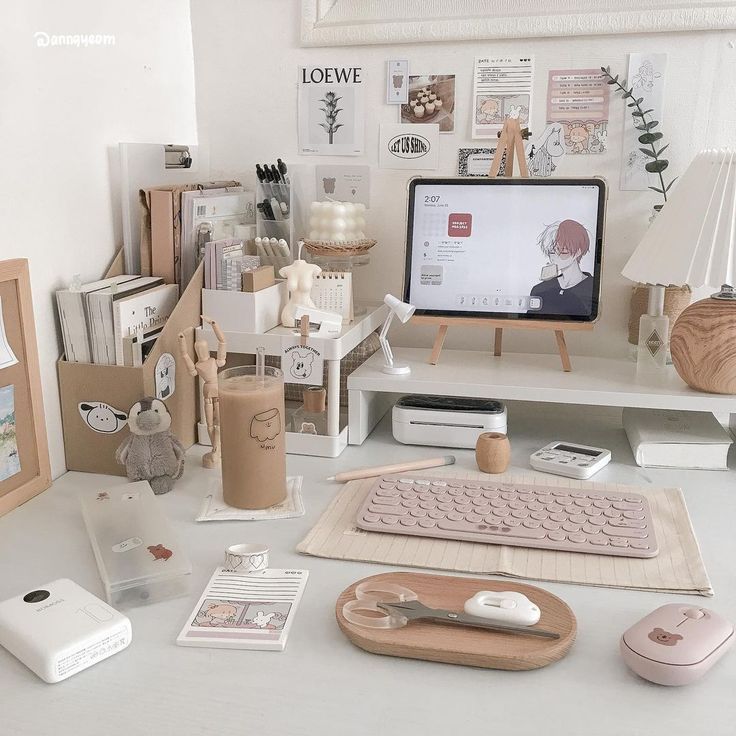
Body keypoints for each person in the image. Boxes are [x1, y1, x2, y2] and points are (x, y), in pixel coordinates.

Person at [530, 219, 593, 316]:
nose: (555, 257)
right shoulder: (540, 289)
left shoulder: (592, 288)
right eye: (551, 252)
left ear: (578, 252)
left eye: (563, 251)